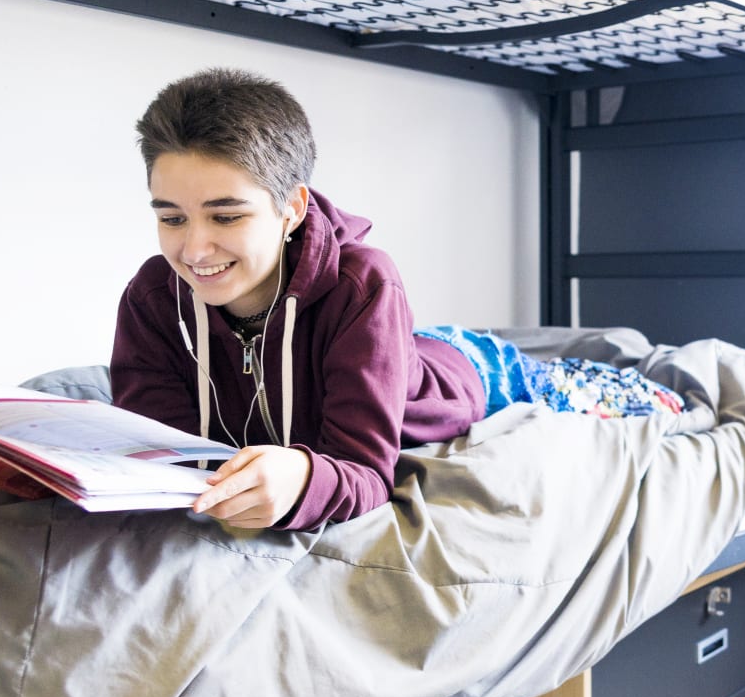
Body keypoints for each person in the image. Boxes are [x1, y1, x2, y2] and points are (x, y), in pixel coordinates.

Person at [110, 68, 488, 531]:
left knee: (583, 387)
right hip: (385, 343)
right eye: (172, 219)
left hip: (460, 369)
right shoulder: (152, 299)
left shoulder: (363, 285)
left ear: (291, 209)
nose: (193, 250)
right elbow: (164, 453)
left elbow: (367, 472)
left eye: (226, 217)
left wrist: (307, 478)